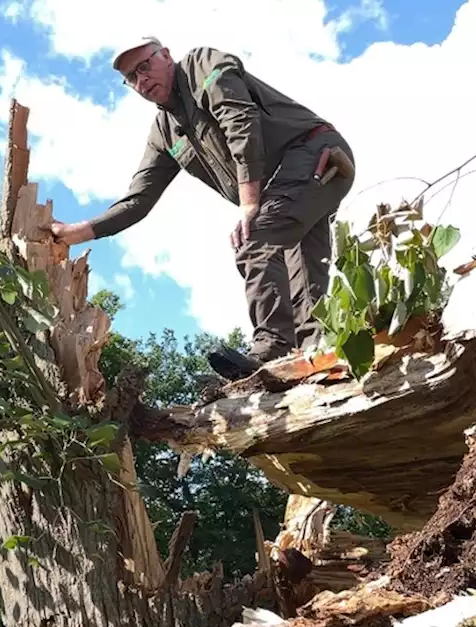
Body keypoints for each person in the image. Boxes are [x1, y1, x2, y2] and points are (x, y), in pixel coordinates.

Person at [47, 37, 356, 380]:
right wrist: (77, 232)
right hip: (281, 190)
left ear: (165, 55)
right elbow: (140, 199)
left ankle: (271, 347)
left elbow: (241, 121)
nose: (141, 81)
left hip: (316, 152)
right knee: (302, 276)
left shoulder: (203, 66)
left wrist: (249, 204)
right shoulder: (163, 132)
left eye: (145, 67)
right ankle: (310, 359)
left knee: (256, 237)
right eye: (131, 78)